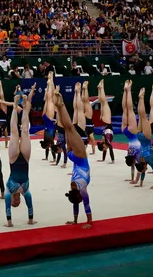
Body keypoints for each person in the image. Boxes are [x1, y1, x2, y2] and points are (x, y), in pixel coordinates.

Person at [54, 91, 92, 229]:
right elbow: (82, 204)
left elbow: (82, 203)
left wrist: (79, 221)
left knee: (68, 128)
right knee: (68, 128)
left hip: (77, 158)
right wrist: (88, 223)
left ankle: (60, 106)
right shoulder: (77, 189)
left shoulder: (78, 190)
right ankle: (60, 105)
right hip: (77, 157)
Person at [3, 84, 36, 227]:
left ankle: (15, 105)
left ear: (11, 199)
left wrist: (9, 223)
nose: (16, 201)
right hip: (25, 159)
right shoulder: (25, 191)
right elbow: (30, 205)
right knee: (25, 131)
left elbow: (7, 209)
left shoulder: (8, 191)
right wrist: (30, 220)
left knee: (14, 132)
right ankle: (24, 105)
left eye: (14, 202)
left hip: (14, 159)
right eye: (18, 202)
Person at [121, 81, 143, 184]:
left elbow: (139, 168)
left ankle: (128, 90)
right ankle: (125, 90)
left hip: (133, 133)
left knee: (129, 109)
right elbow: (135, 166)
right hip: (126, 132)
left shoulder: (136, 156)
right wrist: (132, 179)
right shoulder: (129, 154)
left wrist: (134, 180)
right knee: (125, 109)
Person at [96, 80, 114, 164]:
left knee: (104, 102)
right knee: (102, 103)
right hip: (105, 121)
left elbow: (110, 149)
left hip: (107, 122)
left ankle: (101, 88)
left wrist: (113, 160)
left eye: (104, 149)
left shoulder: (107, 141)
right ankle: (100, 89)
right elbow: (106, 150)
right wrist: (103, 159)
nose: (105, 149)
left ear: (103, 146)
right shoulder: (104, 141)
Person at [40, 72, 57, 154]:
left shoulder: (50, 139)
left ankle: (49, 83)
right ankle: (50, 79)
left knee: (50, 99)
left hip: (49, 120)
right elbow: (49, 147)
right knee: (48, 99)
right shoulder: (45, 139)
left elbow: (53, 147)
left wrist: (54, 158)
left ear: (47, 145)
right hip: (44, 118)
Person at [81, 81, 96, 154]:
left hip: (86, 123)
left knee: (84, 101)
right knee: (85, 101)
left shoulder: (87, 139)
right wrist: (93, 151)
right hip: (87, 123)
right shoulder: (88, 138)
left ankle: (84, 88)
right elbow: (92, 141)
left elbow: (91, 141)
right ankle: (85, 88)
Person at [0, 80, 10, 148]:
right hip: (2, 114)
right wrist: (6, 146)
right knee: (0, 99)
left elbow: (5, 137)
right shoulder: (4, 128)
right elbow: (6, 137)